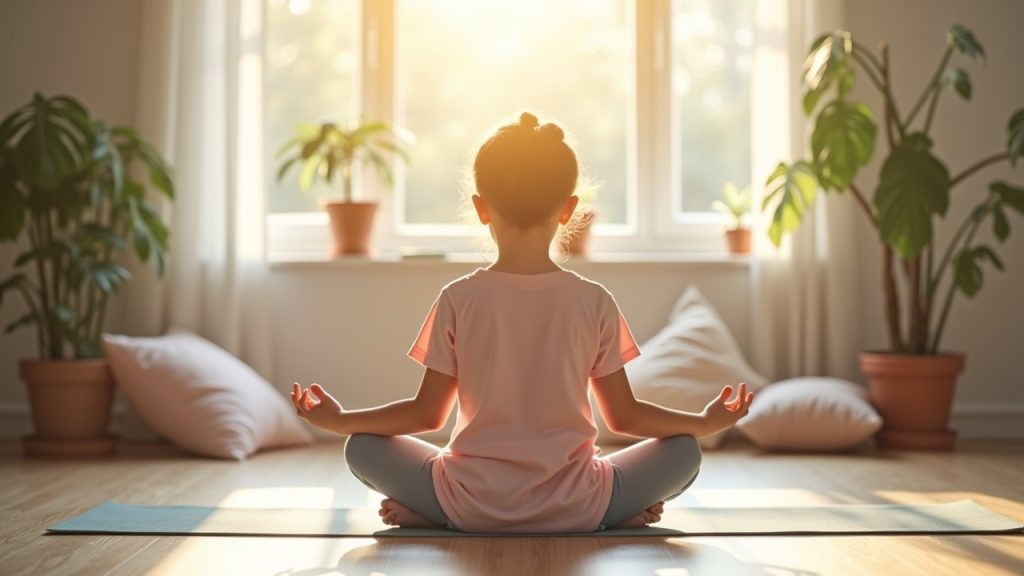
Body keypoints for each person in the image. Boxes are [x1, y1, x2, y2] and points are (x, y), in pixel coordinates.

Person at [290, 112, 754, 533]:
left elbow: (426, 414)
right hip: (577, 504)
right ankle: (612, 516)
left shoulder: (458, 298)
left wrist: (341, 420)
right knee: (683, 452)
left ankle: (438, 515)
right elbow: (625, 416)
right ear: (569, 209)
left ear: (481, 207)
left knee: (362, 446)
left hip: (470, 501)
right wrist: (704, 421)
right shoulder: (595, 301)